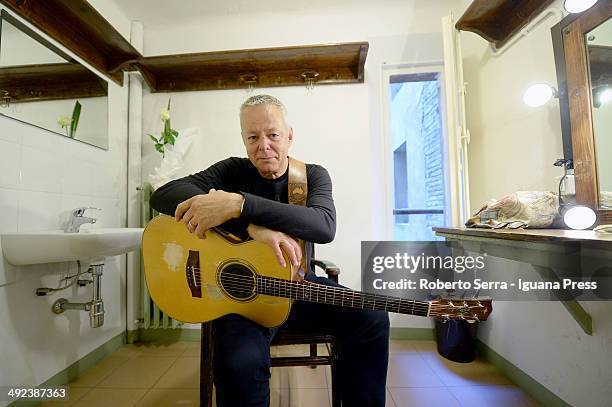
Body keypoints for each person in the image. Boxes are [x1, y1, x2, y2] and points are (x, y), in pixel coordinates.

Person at [150, 94, 389, 407]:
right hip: (241, 298)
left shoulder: (312, 176)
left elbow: (323, 225)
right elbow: (165, 194)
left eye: (273, 135)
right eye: (253, 137)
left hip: (299, 289)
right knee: (239, 363)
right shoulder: (231, 171)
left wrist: (239, 204)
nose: (263, 145)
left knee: (373, 318)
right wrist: (251, 228)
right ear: (244, 140)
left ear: (289, 135)